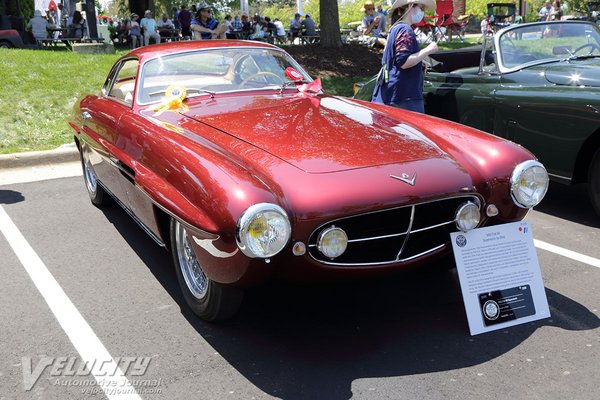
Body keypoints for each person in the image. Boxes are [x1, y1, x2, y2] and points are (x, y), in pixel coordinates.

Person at [371, 0, 438, 113]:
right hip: (403, 98)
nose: (422, 13)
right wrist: (429, 49)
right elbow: (404, 62)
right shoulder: (405, 30)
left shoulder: (395, 28)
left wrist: (419, 61)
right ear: (410, 6)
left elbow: (396, 58)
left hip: (391, 95)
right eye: (421, 8)